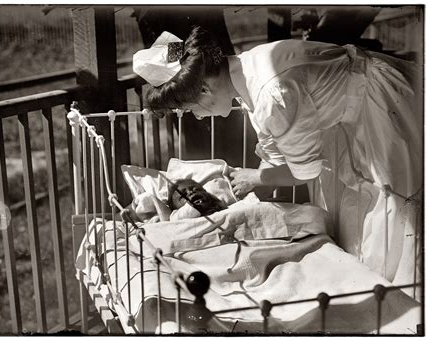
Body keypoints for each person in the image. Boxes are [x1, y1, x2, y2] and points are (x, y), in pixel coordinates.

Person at [132, 27, 422, 290]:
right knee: (356, 213)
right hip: (340, 119)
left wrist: (256, 178)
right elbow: (274, 143)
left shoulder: (271, 91)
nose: (197, 116)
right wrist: (251, 191)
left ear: (205, 89)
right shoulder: (246, 71)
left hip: (378, 106)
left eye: (192, 108)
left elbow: (304, 171)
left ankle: (402, 303)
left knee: (393, 212)